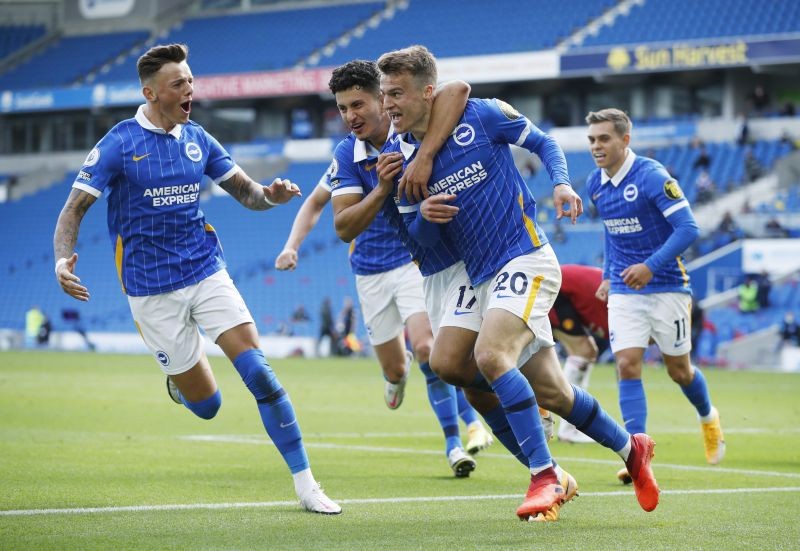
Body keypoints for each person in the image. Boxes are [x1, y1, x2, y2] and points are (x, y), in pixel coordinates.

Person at [52, 43, 340, 515]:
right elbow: (74, 208)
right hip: (149, 289)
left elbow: (246, 193)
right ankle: (179, 383)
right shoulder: (118, 144)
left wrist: (271, 195)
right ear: (151, 92)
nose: (190, 89)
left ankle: (307, 485)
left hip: (205, 270)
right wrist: (62, 260)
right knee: (208, 407)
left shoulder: (198, 138)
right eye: (178, 83)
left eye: (190, 79)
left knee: (260, 374)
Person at [379, 45, 660, 521]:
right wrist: (424, 215)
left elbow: (544, 143)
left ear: (428, 93)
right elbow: (419, 237)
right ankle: (632, 448)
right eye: (384, 94)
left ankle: (545, 474)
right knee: (463, 369)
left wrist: (562, 182)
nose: (388, 104)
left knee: (491, 356)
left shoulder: (483, 117)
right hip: (476, 274)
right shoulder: (396, 154)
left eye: (397, 94)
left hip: (526, 257)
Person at [280, 59, 492, 476]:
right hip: (368, 271)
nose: (350, 116)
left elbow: (456, 90)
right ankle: (397, 379)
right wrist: (293, 244)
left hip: (412, 261)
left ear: (382, 99)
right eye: (342, 109)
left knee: (428, 349)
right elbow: (333, 218)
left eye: (357, 105)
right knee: (396, 367)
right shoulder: (347, 154)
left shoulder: (408, 129)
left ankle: (455, 443)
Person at [585, 108, 726, 485]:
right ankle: (638, 455)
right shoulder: (595, 183)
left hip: (667, 286)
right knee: (626, 364)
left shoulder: (650, 176)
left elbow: (688, 228)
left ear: (625, 140)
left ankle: (708, 417)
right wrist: (606, 274)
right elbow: (611, 232)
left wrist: (649, 265)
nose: (596, 146)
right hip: (625, 290)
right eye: (592, 139)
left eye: (604, 139)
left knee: (679, 371)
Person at [547, 265, 610, 444]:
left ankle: (568, 426)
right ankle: (569, 429)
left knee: (585, 352)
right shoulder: (624, 302)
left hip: (555, 287)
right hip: (555, 289)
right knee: (584, 352)